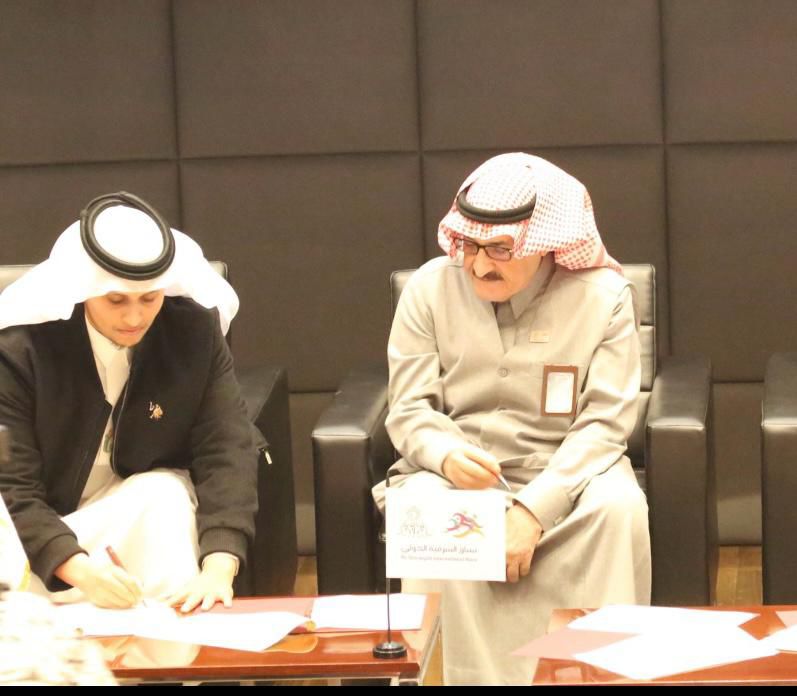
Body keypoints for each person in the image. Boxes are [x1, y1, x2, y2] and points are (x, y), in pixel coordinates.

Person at [373, 153, 651, 684]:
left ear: (544, 242)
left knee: (618, 508)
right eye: (469, 245)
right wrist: (446, 456)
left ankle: (594, 675)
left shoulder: (604, 298)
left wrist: (534, 509)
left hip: (569, 471)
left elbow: (604, 423)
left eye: (500, 249)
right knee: (427, 512)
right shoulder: (429, 290)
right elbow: (409, 409)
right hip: (459, 473)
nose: (480, 265)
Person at [0, 192, 260, 613]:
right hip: (34, 535)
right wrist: (79, 570)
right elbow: (11, 488)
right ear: (84, 291)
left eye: (149, 298)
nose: (135, 318)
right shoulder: (21, 348)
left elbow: (226, 447)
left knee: (164, 496)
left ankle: (176, 646)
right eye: (116, 300)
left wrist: (218, 568)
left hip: (125, 517)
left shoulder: (192, 333)